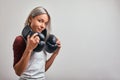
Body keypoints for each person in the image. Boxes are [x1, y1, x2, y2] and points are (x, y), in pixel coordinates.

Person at [13, 6, 61, 80]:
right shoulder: (20, 40)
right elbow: (18, 72)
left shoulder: (43, 41)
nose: (43, 26)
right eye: (40, 21)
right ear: (30, 19)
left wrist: (55, 54)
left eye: (45, 23)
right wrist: (29, 49)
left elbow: (42, 70)